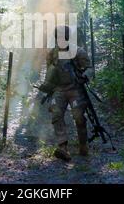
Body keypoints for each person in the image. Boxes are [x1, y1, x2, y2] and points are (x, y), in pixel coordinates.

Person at [38, 26, 94, 161]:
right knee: (57, 116)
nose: (60, 39)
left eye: (63, 36)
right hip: (59, 90)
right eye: (58, 36)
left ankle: (83, 144)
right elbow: (50, 73)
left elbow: (90, 68)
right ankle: (63, 147)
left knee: (79, 117)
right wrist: (46, 86)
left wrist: (85, 76)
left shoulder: (77, 51)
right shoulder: (52, 54)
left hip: (75, 89)